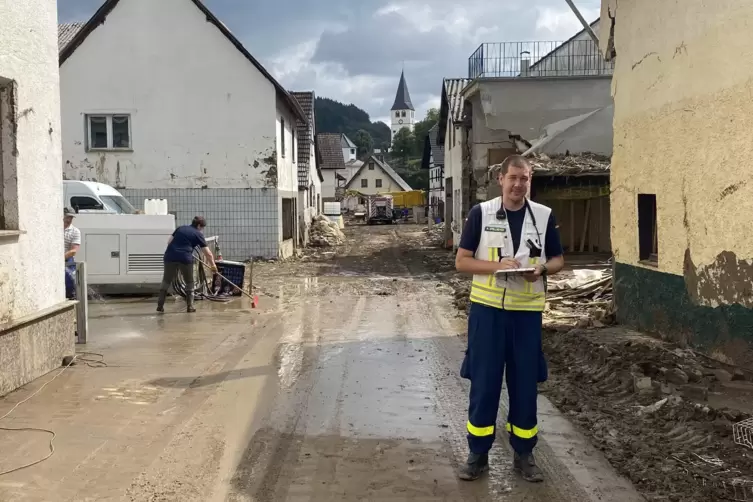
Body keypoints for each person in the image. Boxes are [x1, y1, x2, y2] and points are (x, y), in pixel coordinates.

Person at [455, 155, 564, 483]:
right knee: (485, 384)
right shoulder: (482, 213)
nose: (518, 184)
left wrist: (542, 269)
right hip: (487, 314)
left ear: (531, 180)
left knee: (524, 385)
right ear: (500, 179)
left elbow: (558, 259)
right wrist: (496, 267)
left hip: (526, 316)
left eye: (525, 179)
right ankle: (478, 454)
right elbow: (462, 261)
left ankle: (524, 453)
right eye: (513, 178)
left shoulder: (543, 216)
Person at [157, 216, 217, 313]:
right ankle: (190, 307)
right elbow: (208, 254)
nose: (202, 229)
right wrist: (213, 266)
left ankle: (160, 305)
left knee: (166, 281)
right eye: (202, 227)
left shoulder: (180, 228)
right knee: (189, 282)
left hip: (170, 256)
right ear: (198, 226)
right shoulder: (198, 234)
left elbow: (169, 242)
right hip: (185, 258)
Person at [63, 208, 81, 300]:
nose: (69, 219)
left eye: (71, 217)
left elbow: (74, 251)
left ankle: (70, 297)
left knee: (70, 280)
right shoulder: (54, 229)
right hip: (54, 258)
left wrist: (60, 258)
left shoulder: (75, 231)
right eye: (67, 216)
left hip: (67, 259)